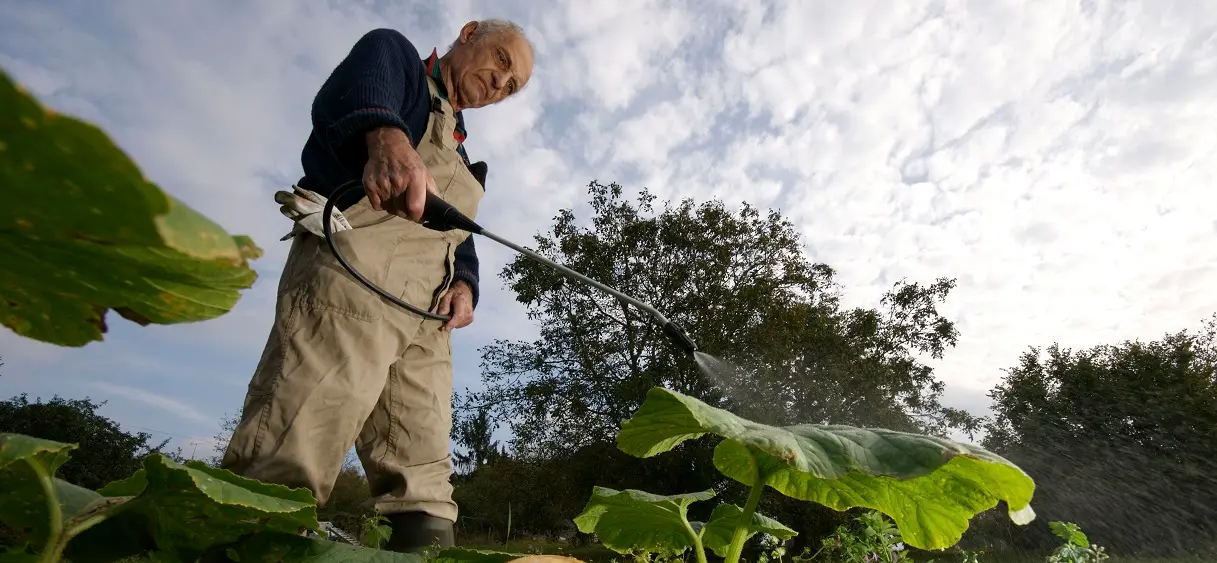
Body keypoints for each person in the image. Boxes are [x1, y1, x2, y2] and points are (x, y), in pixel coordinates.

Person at [219, 20, 535, 553]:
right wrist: (387, 137)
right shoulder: (399, 67)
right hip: (354, 281)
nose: (501, 84)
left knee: (424, 473)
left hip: (428, 320)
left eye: (512, 87)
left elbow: (458, 235)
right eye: (502, 61)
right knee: (297, 436)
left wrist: (466, 283)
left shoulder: (461, 156)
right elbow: (361, 94)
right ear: (470, 33)